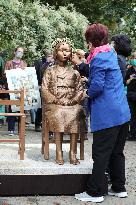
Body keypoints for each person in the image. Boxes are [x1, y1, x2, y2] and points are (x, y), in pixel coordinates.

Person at [75, 23, 130, 203]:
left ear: (92, 40)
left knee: (100, 153)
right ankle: (119, 187)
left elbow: (97, 86)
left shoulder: (98, 58)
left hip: (108, 115)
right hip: (122, 112)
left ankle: (94, 192)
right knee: (117, 152)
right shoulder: (111, 54)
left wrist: (86, 93)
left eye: (88, 39)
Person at [42, 38, 86, 165]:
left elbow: (79, 90)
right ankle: (59, 152)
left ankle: (73, 153)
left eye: (67, 51)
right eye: (62, 50)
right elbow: (44, 89)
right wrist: (56, 99)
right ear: (56, 52)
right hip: (55, 104)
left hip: (71, 104)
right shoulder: (50, 71)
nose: (65, 53)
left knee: (77, 112)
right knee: (58, 113)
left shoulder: (75, 73)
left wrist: (73, 100)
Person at [4, 46, 27, 135]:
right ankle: (11, 129)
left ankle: (21, 130)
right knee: (12, 109)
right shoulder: (9, 63)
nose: (20, 53)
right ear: (15, 52)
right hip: (11, 90)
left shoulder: (24, 63)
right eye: (19, 51)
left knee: (22, 109)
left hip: (21, 90)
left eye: (22, 52)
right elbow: (4, 75)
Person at [34, 50, 55, 132]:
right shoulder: (41, 63)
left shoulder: (55, 63)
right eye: (49, 56)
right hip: (43, 86)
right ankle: (37, 124)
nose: (51, 57)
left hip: (53, 88)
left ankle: (49, 125)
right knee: (41, 106)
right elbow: (39, 73)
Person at [125, 52, 136, 140]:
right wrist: (131, 79)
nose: (134, 59)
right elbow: (125, 82)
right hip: (131, 95)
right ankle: (132, 134)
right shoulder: (129, 70)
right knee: (131, 115)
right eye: (133, 58)